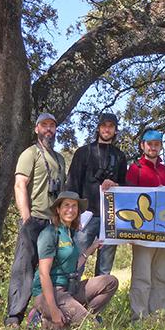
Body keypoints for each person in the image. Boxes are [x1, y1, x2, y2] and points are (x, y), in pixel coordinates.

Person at [4, 113, 67, 329]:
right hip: (35, 220)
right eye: (44, 125)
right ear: (37, 128)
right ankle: (14, 316)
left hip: (53, 223)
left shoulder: (59, 159)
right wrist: (26, 217)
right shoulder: (30, 154)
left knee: (49, 270)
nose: (48, 129)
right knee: (24, 267)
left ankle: (41, 312)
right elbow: (20, 184)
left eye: (52, 126)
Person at [28, 191, 118, 330]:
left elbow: (74, 264)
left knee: (110, 282)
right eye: (66, 205)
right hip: (50, 293)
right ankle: (42, 318)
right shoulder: (50, 234)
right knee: (92, 328)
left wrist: (92, 248)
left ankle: (75, 317)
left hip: (69, 290)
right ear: (58, 209)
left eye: (74, 206)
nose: (70, 209)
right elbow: (43, 274)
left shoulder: (69, 233)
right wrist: (53, 310)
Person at [126, 129, 165, 321]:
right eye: (150, 144)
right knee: (142, 276)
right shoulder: (135, 169)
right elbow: (128, 198)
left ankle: (158, 317)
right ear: (143, 146)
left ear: (160, 146)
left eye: (157, 144)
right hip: (143, 233)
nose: (153, 147)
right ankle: (139, 317)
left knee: (162, 276)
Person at [66, 113, 127, 276]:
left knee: (104, 269)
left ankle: (97, 301)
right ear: (99, 128)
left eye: (111, 126)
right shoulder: (83, 152)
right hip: (86, 216)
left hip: (110, 218)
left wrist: (115, 185)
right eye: (104, 126)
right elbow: (72, 184)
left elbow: (126, 186)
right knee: (75, 263)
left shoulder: (120, 157)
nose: (107, 129)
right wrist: (73, 215)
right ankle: (69, 299)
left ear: (115, 131)